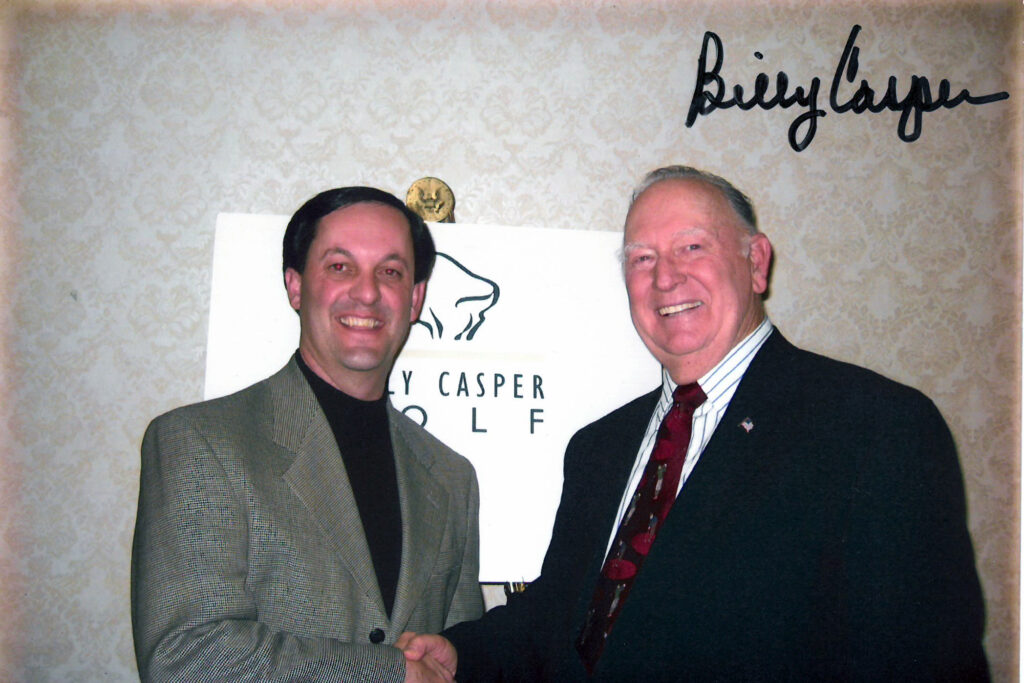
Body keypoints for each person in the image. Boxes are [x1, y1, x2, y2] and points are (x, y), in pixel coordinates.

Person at [403, 166, 988, 681]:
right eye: (642, 258)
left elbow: (921, 662)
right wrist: (461, 655)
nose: (665, 278)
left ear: (756, 262)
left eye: (692, 248)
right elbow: (561, 620)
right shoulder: (598, 448)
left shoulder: (874, 427)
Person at [131, 186, 482, 682]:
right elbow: (185, 658)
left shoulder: (452, 477)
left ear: (415, 299)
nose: (367, 292)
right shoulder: (198, 443)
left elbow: (456, 655)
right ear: (295, 287)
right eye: (340, 267)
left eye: (391, 272)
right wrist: (388, 674)